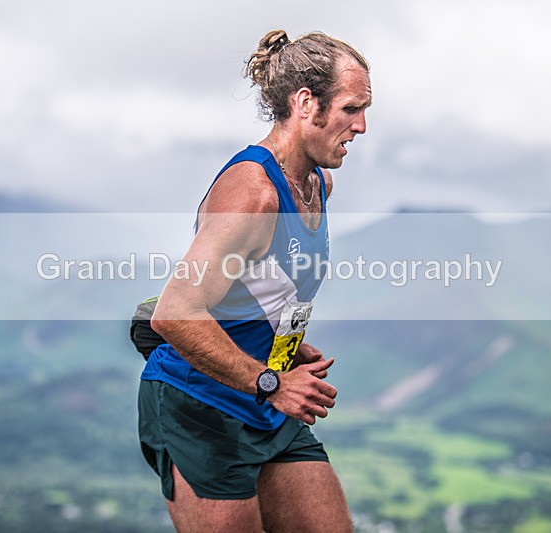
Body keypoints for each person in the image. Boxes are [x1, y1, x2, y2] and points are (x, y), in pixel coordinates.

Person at [138, 29, 371, 532]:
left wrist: (286, 345)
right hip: (201, 406)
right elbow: (175, 313)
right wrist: (271, 381)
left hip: (266, 401)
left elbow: (263, 282)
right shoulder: (253, 194)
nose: (363, 126)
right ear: (306, 102)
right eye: (352, 109)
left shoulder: (317, 183)